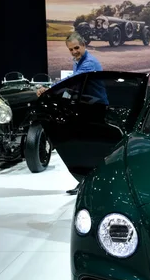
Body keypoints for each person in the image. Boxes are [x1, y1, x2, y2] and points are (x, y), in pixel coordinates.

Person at [37, 32, 104, 195]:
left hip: (95, 108)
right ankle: (85, 182)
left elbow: (72, 82)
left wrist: (50, 90)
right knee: (84, 147)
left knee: (89, 148)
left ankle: (90, 183)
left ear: (84, 45)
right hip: (86, 106)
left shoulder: (88, 63)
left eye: (76, 48)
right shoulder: (78, 61)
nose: (74, 52)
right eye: (70, 49)